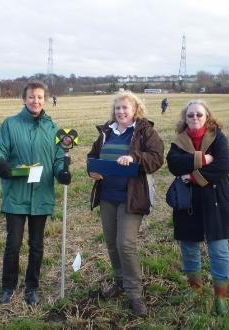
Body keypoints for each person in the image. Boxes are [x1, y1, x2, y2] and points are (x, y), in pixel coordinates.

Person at [0, 80, 71, 305]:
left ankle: (32, 287)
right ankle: (8, 286)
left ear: (45, 100)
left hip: (41, 194)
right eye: (32, 97)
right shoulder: (10, 124)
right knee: (13, 244)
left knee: (37, 244)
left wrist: (62, 172)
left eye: (40, 97)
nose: (36, 101)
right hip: (17, 194)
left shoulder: (52, 128)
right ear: (24, 99)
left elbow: (58, 158)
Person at [87, 91, 164, 317]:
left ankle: (135, 293)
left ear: (135, 110)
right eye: (118, 108)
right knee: (111, 242)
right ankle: (120, 281)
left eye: (125, 108)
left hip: (132, 196)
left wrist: (135, 158)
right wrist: (92, 170)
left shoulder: (144, 132)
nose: (121, 112)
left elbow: (158, 158)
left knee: (126, 244)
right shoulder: (106, 132)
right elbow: (92, 156)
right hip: (108, 195)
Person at [166, 99, 229, 315]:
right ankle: (195, 289)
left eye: (199, 114)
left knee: (219, 249)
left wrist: (192, 176)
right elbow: (174, 165)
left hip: (216, 200)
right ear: (184, 118)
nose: (194, 118)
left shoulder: (218, 137)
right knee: (189, 247)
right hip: (188, 203)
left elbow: (223, 165)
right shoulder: (178, 141)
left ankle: (220, 296)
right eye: (190, 115)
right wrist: (204, 159)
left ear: (207, 117)